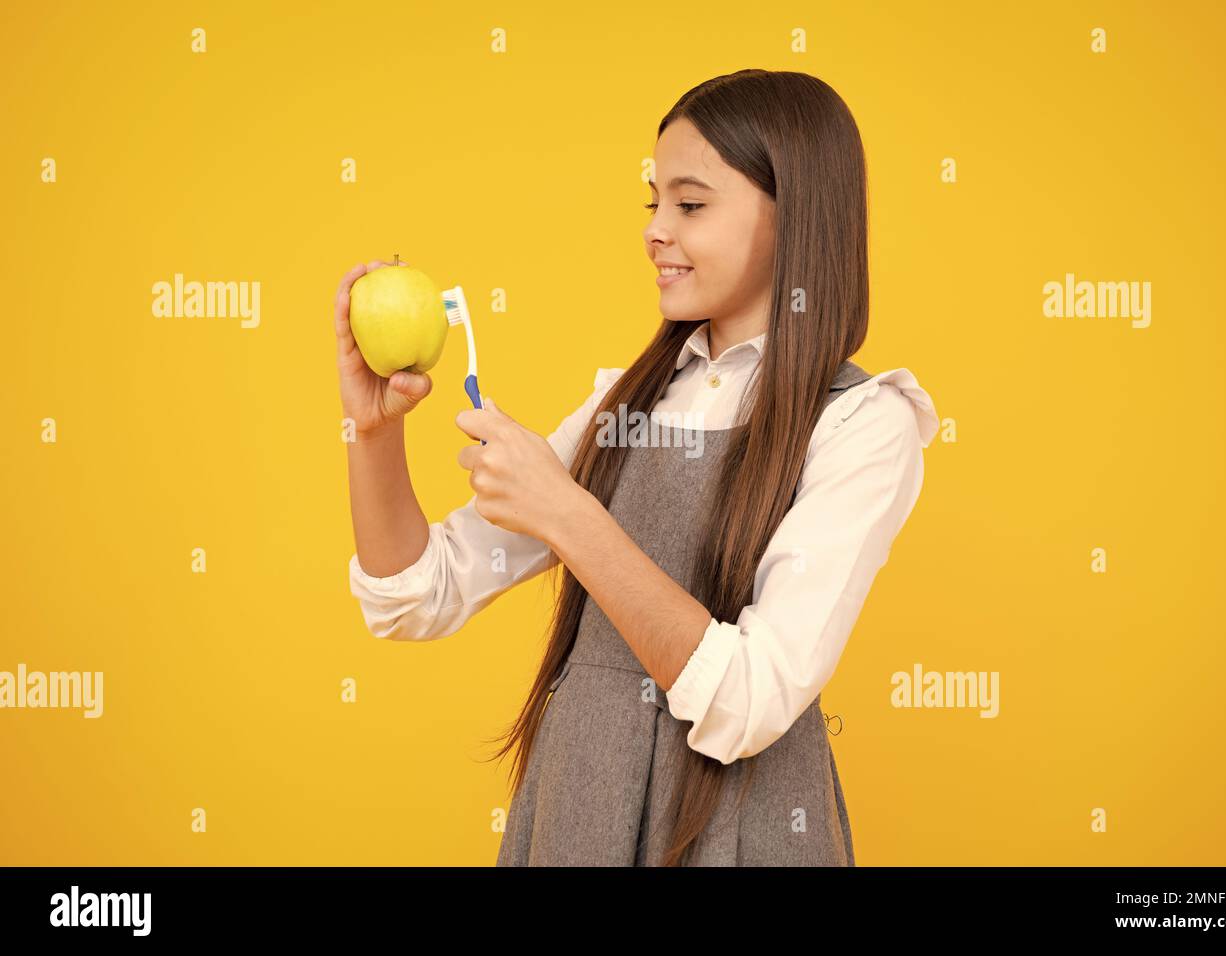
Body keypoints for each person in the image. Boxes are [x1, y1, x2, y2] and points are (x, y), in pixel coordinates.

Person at [338, 69, 940, 866]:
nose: (655, 230)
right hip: (580, 808)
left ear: (795, 215)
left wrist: (569, 514)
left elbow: (753, 695)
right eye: (652, 202)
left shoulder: (864, 423)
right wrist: (374, 432)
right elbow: (419, 595)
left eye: (689, 205)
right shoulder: (622, 407)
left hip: (741, 833)